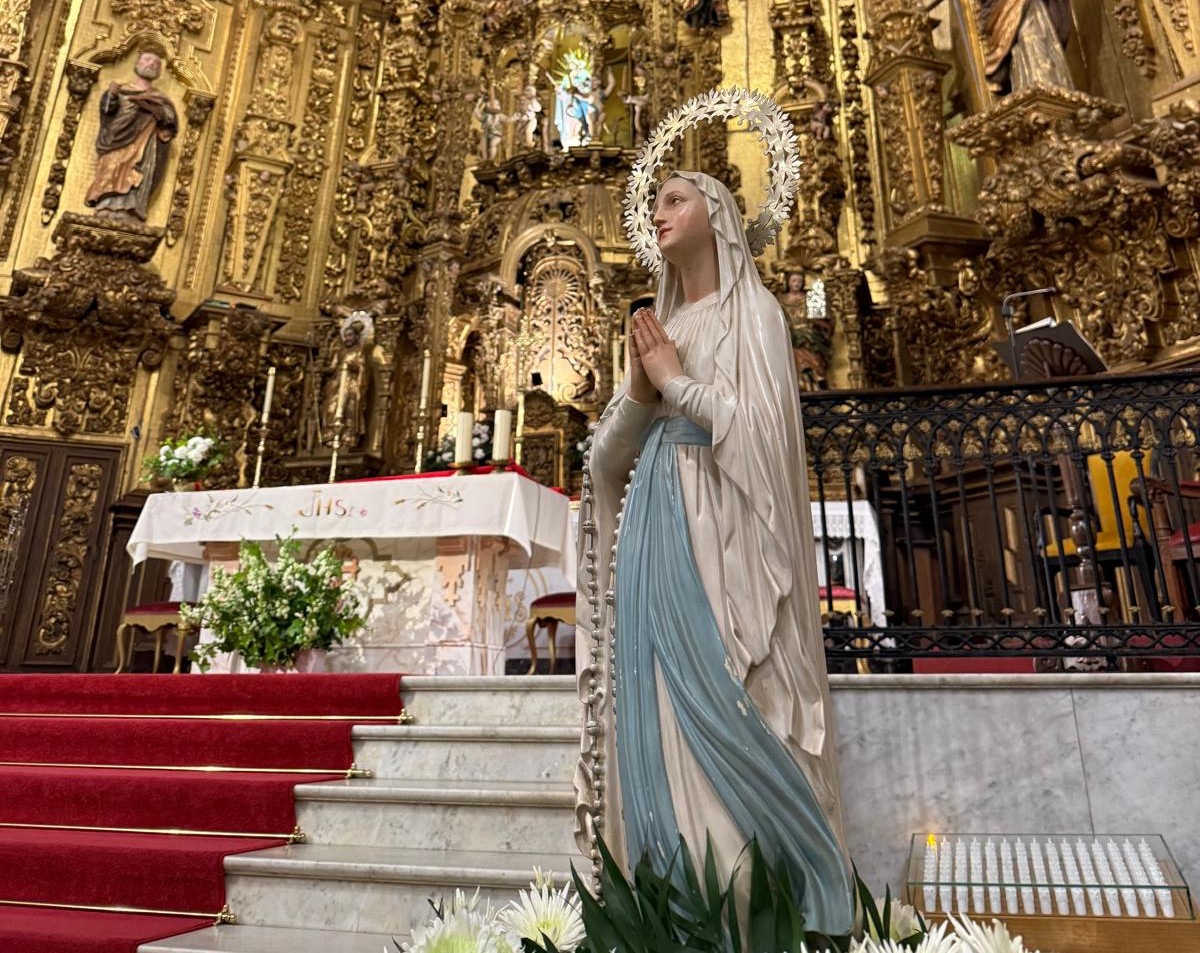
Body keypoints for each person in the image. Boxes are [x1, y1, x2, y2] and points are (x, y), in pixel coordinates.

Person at [576, 171, 854, 935]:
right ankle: (676, 903)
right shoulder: (660, 327)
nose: (658, 212)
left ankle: (753, 901)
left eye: (676, 199)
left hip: (723, 533)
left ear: (720, 216)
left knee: (728, 692)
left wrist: (676, 382)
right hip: (656, 522)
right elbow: (604, 463)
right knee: (660, 702)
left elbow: (764, 438)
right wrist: (642, 393)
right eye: (655, 202)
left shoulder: (754, 314)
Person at [85, 51, 178, 221]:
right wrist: (111, 96)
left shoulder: (159, 99)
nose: (151, 64)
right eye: (147, 60)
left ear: (159, 72)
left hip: (144, 145)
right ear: (137, 64)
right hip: (116, 142)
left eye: (156, 63)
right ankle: (106, 204)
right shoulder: (121, 91)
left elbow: (169, 124)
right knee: (111, 169)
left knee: (136, 173)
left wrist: (158, 112)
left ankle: (130, 208)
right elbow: (107, 111)